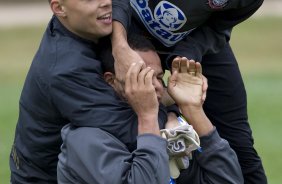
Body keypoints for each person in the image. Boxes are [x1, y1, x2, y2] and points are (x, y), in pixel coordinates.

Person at [111, 0, 267, 183]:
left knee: (239, 142)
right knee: (104, 118)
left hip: (193, 38)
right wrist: (118, 45)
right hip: (122, 26)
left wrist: (185, 58)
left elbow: (216, 27)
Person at [10, 0, 166, 183]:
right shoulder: (65, 68)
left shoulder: (85, 24)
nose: (107, 2)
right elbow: (127, 130)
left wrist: (120, 44)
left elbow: (121, 3)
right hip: (46, 178)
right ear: (59, 8)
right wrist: (171, 110)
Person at [57, 34, 244, 184]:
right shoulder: (85, 139)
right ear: (111, 81)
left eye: (159, 77)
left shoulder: (168, 120)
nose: (155, 86)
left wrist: (192, 109)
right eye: (143, 76)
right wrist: (147, 116)